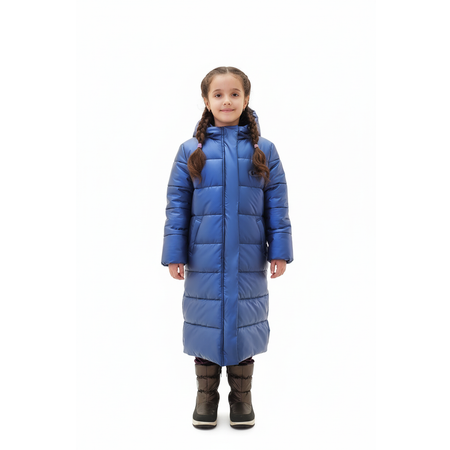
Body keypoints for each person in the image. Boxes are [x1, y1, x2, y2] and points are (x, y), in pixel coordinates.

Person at [161, 66, 294, 429]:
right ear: (206, 101)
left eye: (234, 94)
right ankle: (206, 396)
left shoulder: (264, 150)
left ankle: (241, 396)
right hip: (202, 257)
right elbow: (177, 206)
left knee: (245, 321)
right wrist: (174, 253)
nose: (227, 101)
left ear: (246, 99)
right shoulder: (190, 151)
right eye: (218, 94)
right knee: (204, 321)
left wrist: (279, 249)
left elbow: (277, 203)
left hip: (249, 256)